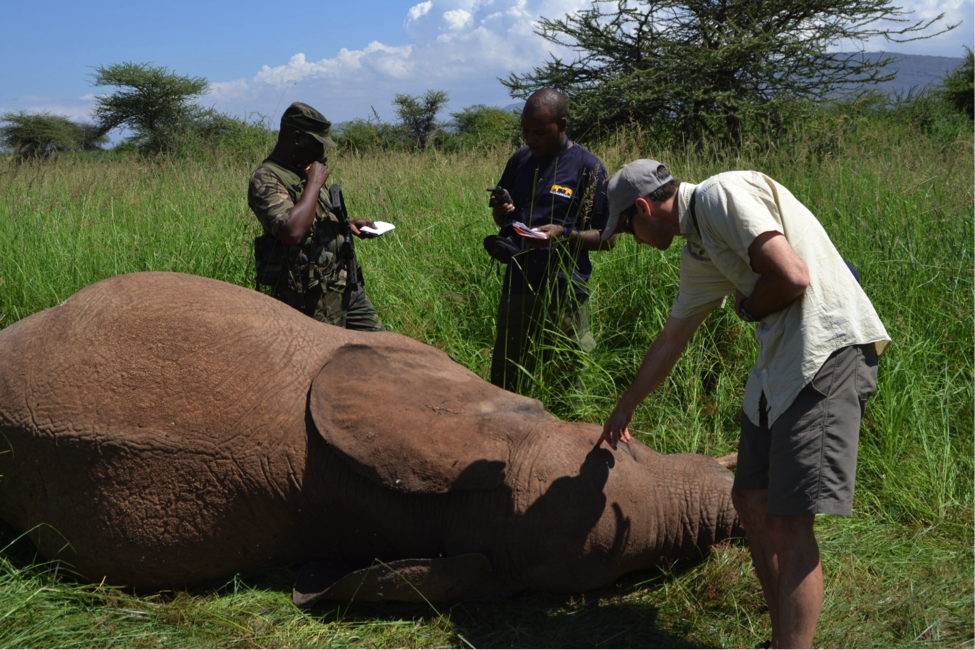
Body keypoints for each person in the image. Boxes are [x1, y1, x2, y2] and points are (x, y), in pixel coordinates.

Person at [595, 160, 890, 650]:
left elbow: (793, 277)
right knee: (750, 502)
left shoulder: (719, 195)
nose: (635, 240)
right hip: (779, 362)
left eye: (628, 228)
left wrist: (749, 307)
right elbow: (671, 339)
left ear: (644, 208)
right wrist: (625, 407)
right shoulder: (700, 249)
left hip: (824, 350)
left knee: (788, 523)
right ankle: (781, 641)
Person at [488, 88, 615, 395]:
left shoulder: (589, 168)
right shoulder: (520, 159)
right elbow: (504, 219)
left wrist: (564, 236)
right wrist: (501, 212)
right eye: (526, 132)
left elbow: (607, 239)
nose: (532, 140)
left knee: (566, 374)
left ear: (562, 124)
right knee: (507, 371)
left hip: (565, 286)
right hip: (519, 280)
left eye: (541, 132)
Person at [248, 102, 384, 331]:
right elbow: (292, 232)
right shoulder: (266, 178)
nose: (323, 151)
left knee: (378, 349)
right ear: (297, 138)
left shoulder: (304, 170)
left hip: (343, 286)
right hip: (309, 298)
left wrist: (347, 224)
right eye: (318, 143)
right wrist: (314, 183)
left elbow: (314, 218)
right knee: (328, 359)